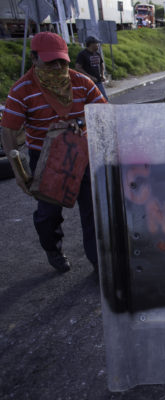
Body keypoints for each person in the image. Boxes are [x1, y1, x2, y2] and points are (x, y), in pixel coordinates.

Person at [0, 32, 107, 273]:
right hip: (46, 160)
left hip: (83, 154)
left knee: (93, 211)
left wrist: (80, 124)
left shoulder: (82, 82)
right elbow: (8, 131)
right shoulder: (22, 90)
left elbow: (104, 115)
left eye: (62, 61)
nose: (58, 67)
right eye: (51, 62)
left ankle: (98, 263)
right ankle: (53, 248)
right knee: (48, 215)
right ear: (35, 60)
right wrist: (18, 171)